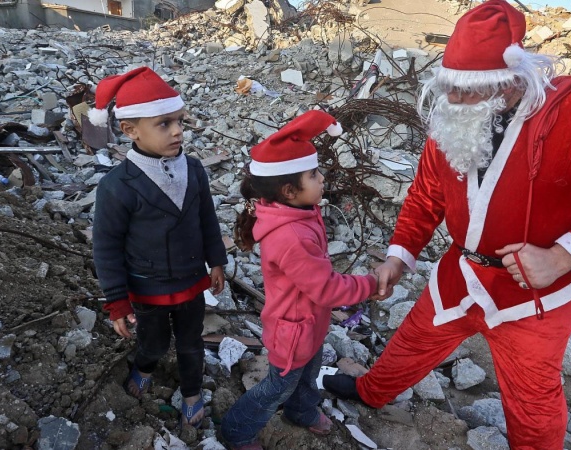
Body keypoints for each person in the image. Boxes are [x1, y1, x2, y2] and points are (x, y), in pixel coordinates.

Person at [322, 1, 571, 448]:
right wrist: (398, 257)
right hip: (459, 273)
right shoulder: (455, 118)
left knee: (534, 400)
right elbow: (427, 195)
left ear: (511, 80)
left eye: (468, 89)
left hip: (536, 294)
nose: (454, 101)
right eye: (450, 88)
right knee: (412, 341)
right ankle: (371, 391)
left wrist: (560, 258)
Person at [220, 110, 379, 450]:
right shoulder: (290, 236)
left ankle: (302, 412)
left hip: (309, 322)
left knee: (308, 372)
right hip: (292, 330)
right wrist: (371, 283)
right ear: (290, 190)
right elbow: (327, 288)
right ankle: (236, 431)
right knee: (279, 385)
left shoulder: (299, 211)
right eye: (314, 173)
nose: (322, 178)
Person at [90, 67, 228, 429]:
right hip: (147, 287)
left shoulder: (194, 169)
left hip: (190, 281)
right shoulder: (118, 186)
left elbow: (207, 219)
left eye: (179, 121)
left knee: (190, 342)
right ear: (130, 130)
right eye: (164, 124)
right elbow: (106, 247)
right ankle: (145, 366)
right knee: (152, 342)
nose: (178, 131)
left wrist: (217, 261)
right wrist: (117, 301)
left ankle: (193, 393)